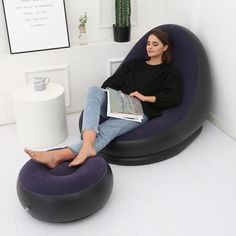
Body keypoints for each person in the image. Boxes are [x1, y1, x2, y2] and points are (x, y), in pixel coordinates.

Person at [24, 28, 183, 168]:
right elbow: (112, 82)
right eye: (148, 43)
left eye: (155, 44)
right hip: (120, 104)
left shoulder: (170, 72)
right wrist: (115, 95)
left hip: (140, 111)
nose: (150, 47)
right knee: (93, 90)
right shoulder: (135, 64)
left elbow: (173, 97)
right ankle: (88, 146)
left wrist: (144, 97)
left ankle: (58, 155)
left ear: (165, 47)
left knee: (108, 129)